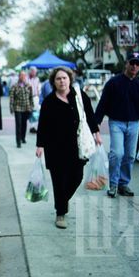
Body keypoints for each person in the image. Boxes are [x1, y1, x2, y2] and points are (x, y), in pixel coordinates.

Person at [36, 67, 101, 229]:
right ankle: (60, 213)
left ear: (70, 79)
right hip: (55, 147)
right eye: (58, 79)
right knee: (58, 181)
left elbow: (90, 116)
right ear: (53, 82)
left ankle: (62, 202)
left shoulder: (78, 96)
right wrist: (40, 145)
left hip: (77, 146)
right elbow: (43, 125)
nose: (62, 81)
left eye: (64, 78)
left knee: (76, 177)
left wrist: (96, 133)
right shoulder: (49, 101)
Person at [95, 52, 139, 198]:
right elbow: (103, 104)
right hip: (116, 123)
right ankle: (113, 184)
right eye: (131, 62)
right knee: (117, 153)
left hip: (134, 124)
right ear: (126, 63)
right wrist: (96, 123)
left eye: (137, 64)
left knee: (130, 155)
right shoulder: (114, 83)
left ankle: (123, 184)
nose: (134, 66)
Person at [10, 71, 34, 148]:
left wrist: (31, 107)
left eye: (24, 76)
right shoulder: (14, 86)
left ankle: (23, 137)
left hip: (26, 108)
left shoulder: (29, 86)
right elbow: (12, 98)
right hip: (18, 108)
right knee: (18, 125)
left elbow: (31, 97)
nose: (23, 77)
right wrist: (11, 108)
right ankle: (18, 141)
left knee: (24, 124)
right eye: (21, 76)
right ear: (19, 76)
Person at [27, 66, 41, 133]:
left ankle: (34, 127)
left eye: (35, 71)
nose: (34, 73)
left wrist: (38, 96)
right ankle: (31, 126)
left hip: (35, 97)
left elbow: (38, 88)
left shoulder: (37, 79)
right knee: (30, 112)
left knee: (35, 112)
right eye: (33, 71)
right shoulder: (27, 79)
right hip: (28, 97)